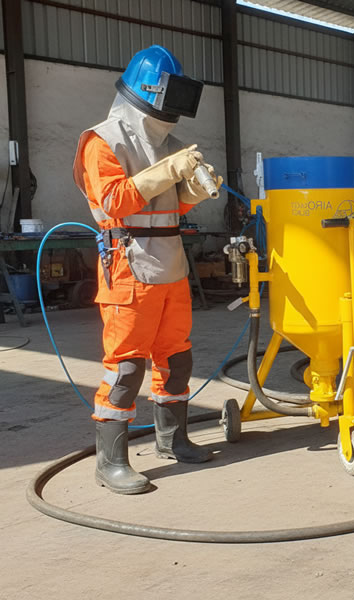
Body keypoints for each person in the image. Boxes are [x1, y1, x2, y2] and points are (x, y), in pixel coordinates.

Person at [72, 45, 222, 494]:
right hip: (128, 266)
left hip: (170, 264)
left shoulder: (170, 145)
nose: (173, 111)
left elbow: (169, 208)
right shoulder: (102, 140)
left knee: (176, 358)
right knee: (125, 367)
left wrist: (192, 192)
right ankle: (111, 461)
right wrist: (168, 172)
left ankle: (173, 439)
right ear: (149, 91)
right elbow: (114, 202)